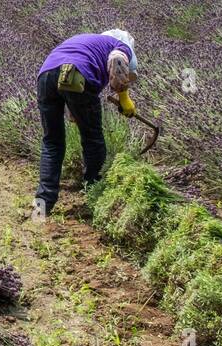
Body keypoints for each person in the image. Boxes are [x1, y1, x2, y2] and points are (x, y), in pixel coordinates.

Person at [34, 29, 138, 216]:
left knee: (52, 142)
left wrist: (75, 112)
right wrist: (124, 97)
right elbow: (118, 60)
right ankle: (94, 195)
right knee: (93, 140)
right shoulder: (121, 45)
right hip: (77, 72)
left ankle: (41, 208)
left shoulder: (87, 41)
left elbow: (64, 75)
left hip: (46, 75)